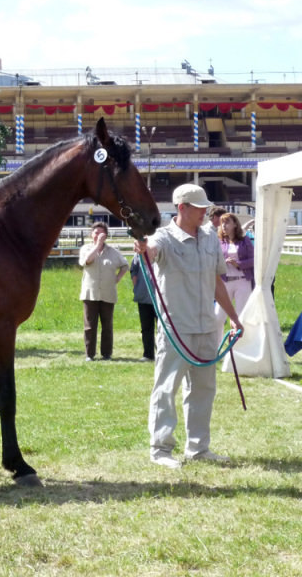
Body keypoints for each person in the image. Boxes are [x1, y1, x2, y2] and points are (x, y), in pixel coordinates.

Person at [133, 184, 243, 469]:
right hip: (176, 329)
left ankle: (198, 447)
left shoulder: (209, 237)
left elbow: (217, 281)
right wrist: (144, 248)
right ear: (182, 208)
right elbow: (151, 251)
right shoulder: (164, 238)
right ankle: (160, 449)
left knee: (204, 389)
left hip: (206, 326)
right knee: (166, 388)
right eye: (199, 208)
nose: (206, 212)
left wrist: (233, 317)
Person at [78, 221, 128, 361]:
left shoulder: (113, 252)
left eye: (102, 233)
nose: (99, 235)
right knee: (89, 325)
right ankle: (90, 354)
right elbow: (87, 261)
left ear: (106, 235)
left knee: (107, 325)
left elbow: (125, 265)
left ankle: (107, 353)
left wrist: (117, 278)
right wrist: (97, 245)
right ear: (91, 234)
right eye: (96, 232)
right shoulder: (86, 249)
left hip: (108, 292)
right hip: (90, 293)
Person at [214, 212, 254, 328]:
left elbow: (254, 260)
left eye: (227, 222)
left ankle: (237, 345)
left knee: (240, 317)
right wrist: (222, 262)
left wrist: (238, 264)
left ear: (235, 225)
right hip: (225, 282)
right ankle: (217, 345)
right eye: (222, 223)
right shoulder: (219, 241)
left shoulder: (244, 240)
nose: (223, 226)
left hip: (242, 281)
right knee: (218, 317)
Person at [130, 254, 156, 361]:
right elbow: (133, 271)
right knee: (146, 328)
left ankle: (164, 353)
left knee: (163, 328)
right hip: (143, 296)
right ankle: (148, 354)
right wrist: (137, 286)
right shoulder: (137, 256)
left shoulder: (161, 252)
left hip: (161, 298)